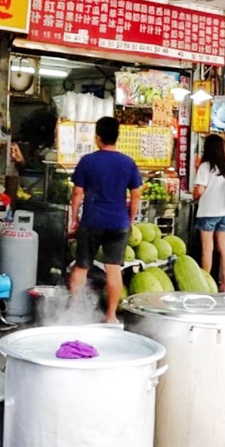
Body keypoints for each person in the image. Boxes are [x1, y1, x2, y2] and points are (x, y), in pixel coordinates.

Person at [68, 117, 142, 323]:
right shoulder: (128, 163)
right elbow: (136, 195)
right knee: (113, 269)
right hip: (118, 223)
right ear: (117, 136)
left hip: (92, 221)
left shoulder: (88, 161)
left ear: (97, 137)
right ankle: (111, 316)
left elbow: (77, 193)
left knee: (82, 266)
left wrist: (74, 219)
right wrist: (130, 220)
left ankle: (73, 311)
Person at [193, 134, 225, 292]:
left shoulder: (205, 167)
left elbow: (200, 190)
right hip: (224, 212)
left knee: (207, 248)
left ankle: (207, 284)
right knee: (224, 248)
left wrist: (194, 195)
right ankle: (224, 284)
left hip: (208, 212)